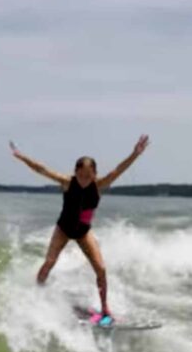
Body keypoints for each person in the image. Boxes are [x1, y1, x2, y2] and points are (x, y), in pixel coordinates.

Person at [9, 136, 150, 325]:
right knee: (49, 262)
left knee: (101, 269)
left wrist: (135, 154)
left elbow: (118, 169)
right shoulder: (68, 182)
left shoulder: (99, 185)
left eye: (89, 176)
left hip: (83, 232)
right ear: (75, 172)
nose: (85, 180)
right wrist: (21, 157)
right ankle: (36, 297)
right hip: (63, 229)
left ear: (95, 174)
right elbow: (41, 169)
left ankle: (105, 309)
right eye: (82, 175)